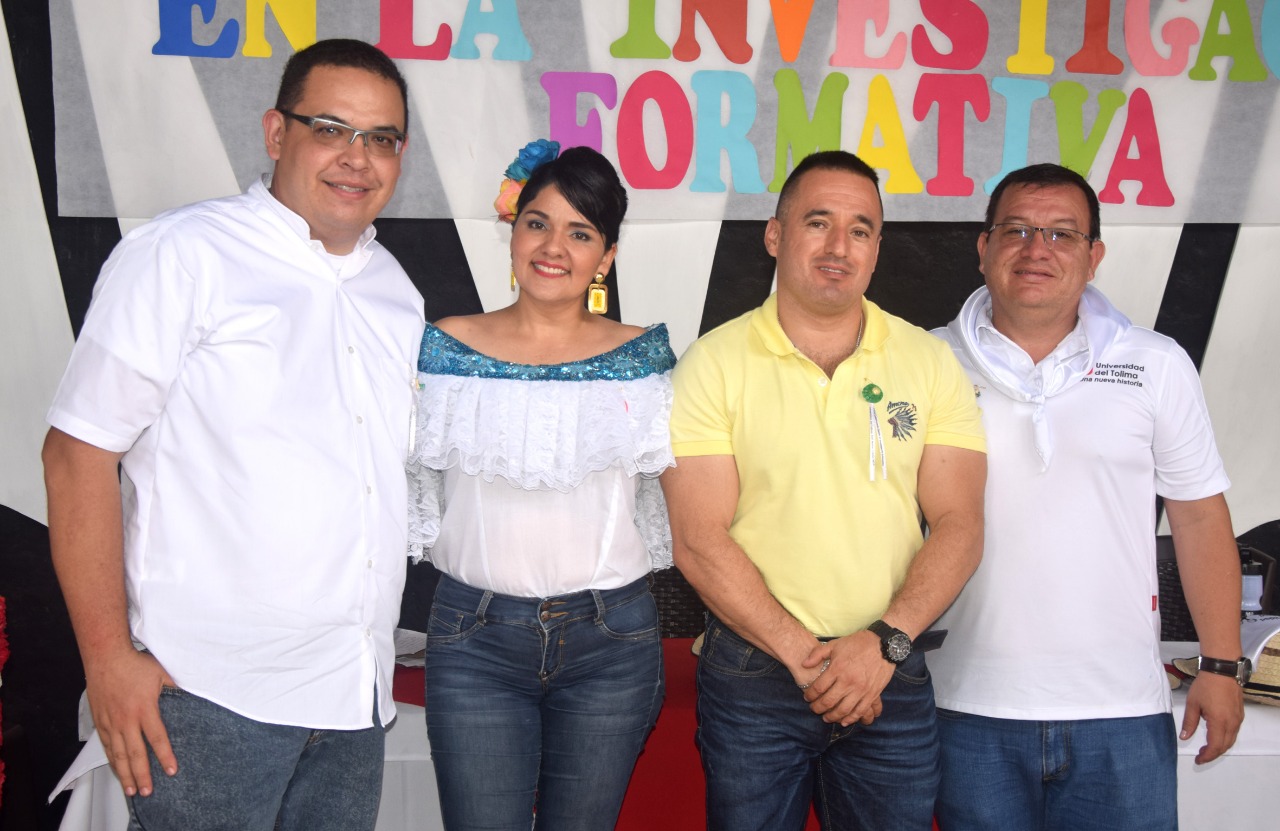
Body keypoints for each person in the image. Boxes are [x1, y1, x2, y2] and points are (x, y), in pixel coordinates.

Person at [42, 39, 424, 831]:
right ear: (276, 133)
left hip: (352, 701)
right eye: (331, 128)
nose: (357, 158)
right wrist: (109, 659)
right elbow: (77, 454)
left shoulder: (397, 293)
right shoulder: (182, 254)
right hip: (210, 698)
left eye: (381, 138)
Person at [661, 150, 988, 830]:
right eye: (818, 222)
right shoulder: (710, 364)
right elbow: (697, 540)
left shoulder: (929, 362)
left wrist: (882, 646)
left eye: (861, 228)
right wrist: (810, 661)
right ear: (776, 236)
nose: (839, 246)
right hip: (755, 674)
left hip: (888, 673)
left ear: (876, 248)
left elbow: (959, 523)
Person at [929, 163, 1246, 831]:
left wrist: (1221, 663)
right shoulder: (922, 363)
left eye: (1062, 234)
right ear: (983, 247)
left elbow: (1198, 516)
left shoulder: (1156, 364)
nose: (1035, 249)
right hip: (964, 706)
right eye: (1015, 229)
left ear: (1094, 256)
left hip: (1122, 713)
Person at [407, 144, 672, 831]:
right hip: (474, 636)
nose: (554, 246)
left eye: (580, 232)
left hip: (611, 641)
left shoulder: (644, 357)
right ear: (513, 231)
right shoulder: (443, 348)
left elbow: (679, 497)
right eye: (537, 223)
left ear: (606, 256)